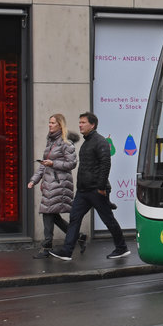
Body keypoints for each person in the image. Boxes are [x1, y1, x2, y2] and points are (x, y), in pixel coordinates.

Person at [48, 112, 130, 261]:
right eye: (79, 122)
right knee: (74, 218)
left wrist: (101, 187)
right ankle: (67, 251)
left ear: (92, 125)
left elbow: (106, 164)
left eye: (83, 122)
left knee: (108, 219)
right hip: (84, 191)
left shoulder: (101, 141)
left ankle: (122, 248)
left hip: (96, 190)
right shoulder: (86, 143)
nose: (80, 125)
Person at [27, 114, 86, 254]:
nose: (49, 125)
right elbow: (43, 164)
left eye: (53, 123)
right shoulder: (51, 142)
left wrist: (53, 163)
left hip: (60, 184)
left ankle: (47, 246)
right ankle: (78, 236)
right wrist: (33, 180)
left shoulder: (66, 143)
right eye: (49, 122)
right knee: (52, 215)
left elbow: (72, 164)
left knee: (48, 213)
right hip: (49, 184)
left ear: (60, 125)